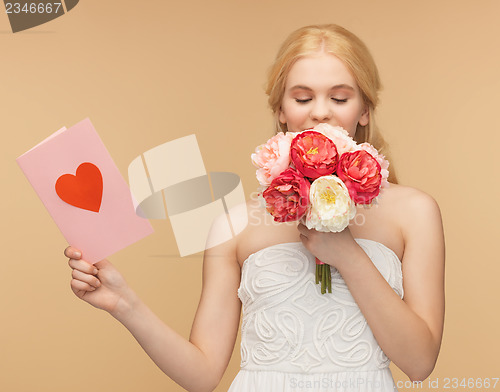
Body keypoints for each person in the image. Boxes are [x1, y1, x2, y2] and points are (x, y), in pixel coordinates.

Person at [65, 24, 445, 391]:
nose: (320, 112)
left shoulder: (415, 212)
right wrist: (124, 304)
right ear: (281, 109)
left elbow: (419, 363)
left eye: (340, 98)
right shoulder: (234, 225)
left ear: (364, 110)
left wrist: (348, 256)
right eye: (302, 98)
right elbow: (203, 375)